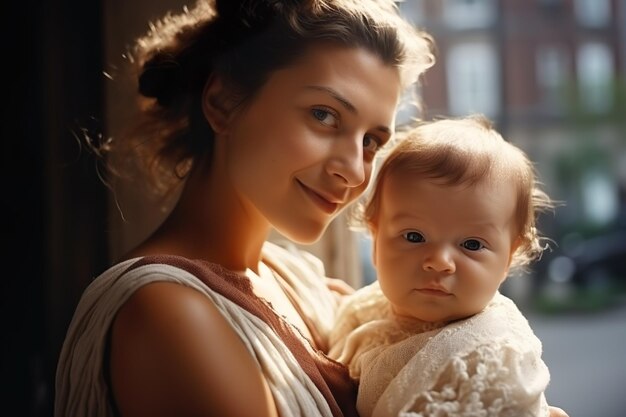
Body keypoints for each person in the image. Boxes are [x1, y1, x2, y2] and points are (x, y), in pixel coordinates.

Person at [54, 1, 436, 417]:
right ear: (222, 102)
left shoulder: (297, 281)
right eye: (324, 115)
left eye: (371, 142)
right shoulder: (168, 313)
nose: (353, 171)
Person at [328, 115, 559, 417]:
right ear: (375, 239)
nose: (439, 262)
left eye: (472, 245)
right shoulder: (361, 309)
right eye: (414, 236)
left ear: (508, 257)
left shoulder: (495, 359)